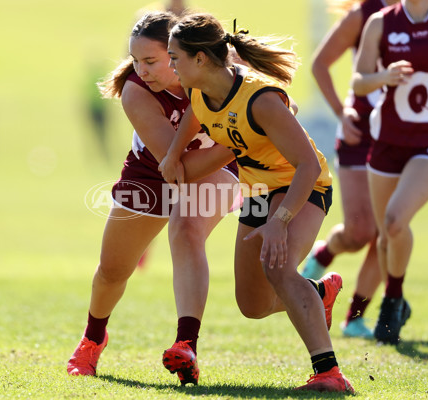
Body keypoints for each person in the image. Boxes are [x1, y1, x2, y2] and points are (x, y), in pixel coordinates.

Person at [160, 13, 355, 393]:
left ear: (200, 59)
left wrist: (280, 220)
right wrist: (173, 153)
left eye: (174, 57)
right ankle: (317, 293)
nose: (170, 66)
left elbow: (308, 164)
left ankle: (329, 372)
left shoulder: (260, 99)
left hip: (301, 186)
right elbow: (194, 116)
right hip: (257, 192)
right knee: (252, 304)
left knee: (277, 268)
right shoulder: (199, 90)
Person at [66, 11, 240, 386]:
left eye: (150, 61)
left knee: (188, 229)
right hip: (153, 171)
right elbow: (176, 168)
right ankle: (93, 339)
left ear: (181, 55)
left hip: (216, 165)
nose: (141, 70)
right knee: (112, 271)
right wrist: (236, 142)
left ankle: (186, 345)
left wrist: (241, 142)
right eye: (134, 60)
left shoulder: (222, 73)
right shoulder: (136, 91)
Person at [352, 0, 428, 344]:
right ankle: (396, 300)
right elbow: (359, 82)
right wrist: (384, 76)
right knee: (383, 238)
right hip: (388, 143)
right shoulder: (380, 23)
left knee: (395, 220)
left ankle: (392, 301)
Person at [303, 0, 399, 339]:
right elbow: (320, 64)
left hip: (403, 138)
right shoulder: (366, 12)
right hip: (361, 134)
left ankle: (355, 318)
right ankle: (324, 251)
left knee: (389, 229)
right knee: (361, 231)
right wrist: (342, 113)